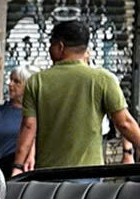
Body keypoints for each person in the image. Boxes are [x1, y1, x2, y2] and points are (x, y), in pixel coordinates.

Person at [13, 20, 140, 173]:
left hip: (48, 175)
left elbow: (28, 126)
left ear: (60, 47)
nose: (49, 49)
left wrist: (18, 166)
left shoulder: (37, 81)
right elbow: (124, 123)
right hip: (88, 174)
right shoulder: (103, 79)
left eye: (51, 44)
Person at [0, 67, 29, 169]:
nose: (10, 84)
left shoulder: (30, 113)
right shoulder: (2, 109)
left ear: (26, 86)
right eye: (10, 80)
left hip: (19, 166)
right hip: (0, 162)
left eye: (16, 82)